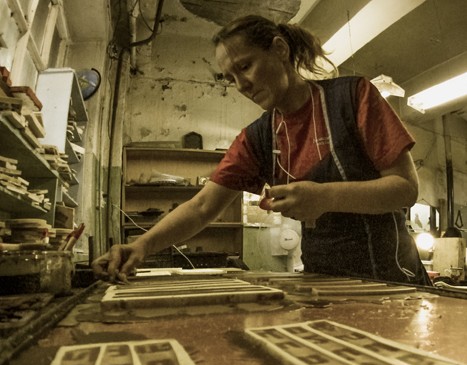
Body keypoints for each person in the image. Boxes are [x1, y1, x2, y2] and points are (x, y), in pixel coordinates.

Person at [92, 14, 431, 286]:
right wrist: (142, 245)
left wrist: (324, 196)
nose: (241, 85)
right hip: (325, 282)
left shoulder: (352, 97)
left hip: (391, 279)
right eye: (230, 78)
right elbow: (201, 207)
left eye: (245, 67)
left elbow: (405, 189)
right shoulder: (258, 137)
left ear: (280, 49)